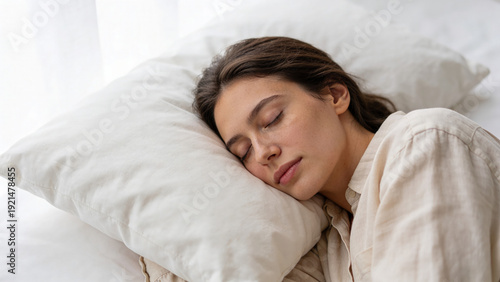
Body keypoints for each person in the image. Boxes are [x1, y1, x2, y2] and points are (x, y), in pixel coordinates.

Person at [193, 36, 500, 281]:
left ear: (335, 95)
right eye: (243, 152)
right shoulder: (328, 244)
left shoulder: (425, 142)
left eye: (272, 118)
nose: (262, 152)